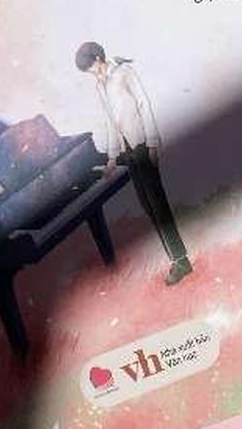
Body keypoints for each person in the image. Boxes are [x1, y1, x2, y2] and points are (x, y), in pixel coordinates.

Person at [74, 41, 193, 284]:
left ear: (98, 58)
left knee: (158, 204)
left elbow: (143, 105)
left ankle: (181, 260)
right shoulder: (100, 86)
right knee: (147, 205)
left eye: (91, 68)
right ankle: (177, 259)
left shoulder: (124, 73)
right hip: (127, 150)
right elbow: (110, 121)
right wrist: (112, 158)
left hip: (141, 143)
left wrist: (152, 143)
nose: (92, 74)